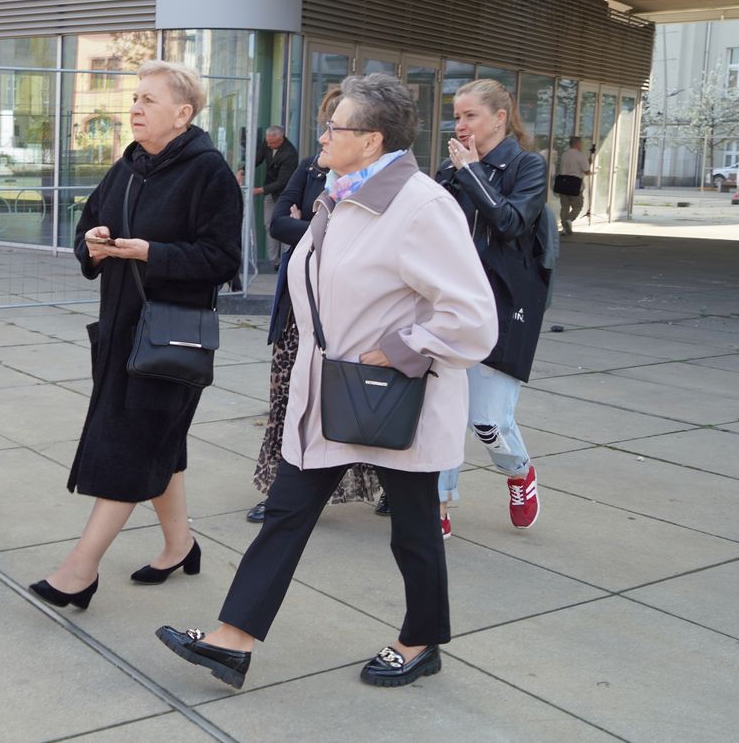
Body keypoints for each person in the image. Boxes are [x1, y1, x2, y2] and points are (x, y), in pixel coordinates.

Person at [156, 73, 496, 690]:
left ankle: (420, 641)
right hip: (327, 393)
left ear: (370, 140)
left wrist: (397, 350)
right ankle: (233, 640)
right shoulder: (340, 196)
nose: (321, 136)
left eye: (334, 127)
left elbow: (473, 318)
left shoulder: (421, 206)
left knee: (414, 528)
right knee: (286, 514)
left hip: (395, 396)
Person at [30, 60, 242, 611]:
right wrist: (94, 245)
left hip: (171, 340)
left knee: (128, 448)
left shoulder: (209, 172)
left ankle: (79, 571)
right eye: (135, 99)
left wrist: (153, 253)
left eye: (149, 100)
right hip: (120, 333)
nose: (135, 109)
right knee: (157, 443)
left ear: (183, 113)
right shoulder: (127, 166)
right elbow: (87, 228)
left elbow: (223, 259)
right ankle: (181, 545)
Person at [246, 86, 380, 525]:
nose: (325, 136)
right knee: (287, 399)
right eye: (326, 125)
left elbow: (369, 242)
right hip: (298, 310)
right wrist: (328, 234)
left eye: (334, 127)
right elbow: (278, 223)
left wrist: (312, 229)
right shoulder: (309, 168)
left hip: (350, 314)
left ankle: (394, 484)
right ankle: (280, 491)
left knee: (358, 402)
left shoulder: (378, 182)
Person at [434, 79, 549, 537]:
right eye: (456, 117)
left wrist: (471, 173)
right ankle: (437, 504)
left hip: (505, 306)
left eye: (470, 116)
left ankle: (519, 471)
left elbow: (510, 222)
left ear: (500, 118)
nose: (460, 125)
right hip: (451, 303)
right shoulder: (450, 169)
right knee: (442, 414)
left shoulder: (527, 166)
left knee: (487, 420)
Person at [254, 126, 299, 262]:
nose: (268, 145)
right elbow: (257, 159)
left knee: (284, 225)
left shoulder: (290, 153)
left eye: (271, 143)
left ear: (281, 139)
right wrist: (242, 171)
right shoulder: (268, 142)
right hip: (270, 191)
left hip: (285, 194)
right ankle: (272, 260)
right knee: (269, 224)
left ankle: (287, 258)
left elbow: (282, 181)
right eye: (267, 142)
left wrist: (259, 190)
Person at [556, 136, 590, 235]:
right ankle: (569, 220)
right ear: (577, 144)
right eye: (581, 143)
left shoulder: (564, 155)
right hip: (575, 184)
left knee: (564, 206)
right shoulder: (581, 156)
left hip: (563, 183)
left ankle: (565, 228)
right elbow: (587, 171)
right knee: (578, 205)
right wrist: (589, 164)